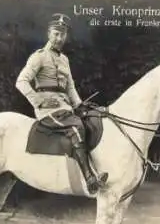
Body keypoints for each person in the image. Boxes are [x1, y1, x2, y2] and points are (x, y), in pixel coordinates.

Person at [15, 13, 108, 194]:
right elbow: (21, 81)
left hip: (65, 109)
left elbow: (70, 88)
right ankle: (89, 179)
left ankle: (94, 171)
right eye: (56, 33)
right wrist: (38, 100)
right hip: (48, 111)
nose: (59, 38)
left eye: (63, 34)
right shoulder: (39, 57)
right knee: (76, 126)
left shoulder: (64, 60)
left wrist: (80, 106)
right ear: (49, 34)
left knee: (90, 120)